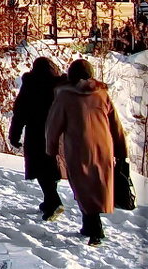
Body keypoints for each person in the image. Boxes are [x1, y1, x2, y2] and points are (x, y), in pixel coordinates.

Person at [45, 59, 129, 246]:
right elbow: (116, 124)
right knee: (98, 185)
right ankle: (88, 225)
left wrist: (50, 150)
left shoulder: (65, 96)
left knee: (82, 186)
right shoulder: (101, 94)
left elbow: (53, 126)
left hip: (78, 146)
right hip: (103, 146)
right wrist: (122, 150)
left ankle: (95, 229)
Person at [9, 57, 66, 220]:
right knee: (51, 166)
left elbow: (20, 113)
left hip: (36, 133)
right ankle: (49, 201)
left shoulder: (31, 85)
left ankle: (54, 201)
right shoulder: (60, 86)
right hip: (58, 133)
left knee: (41, 169)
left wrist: (14, 135)